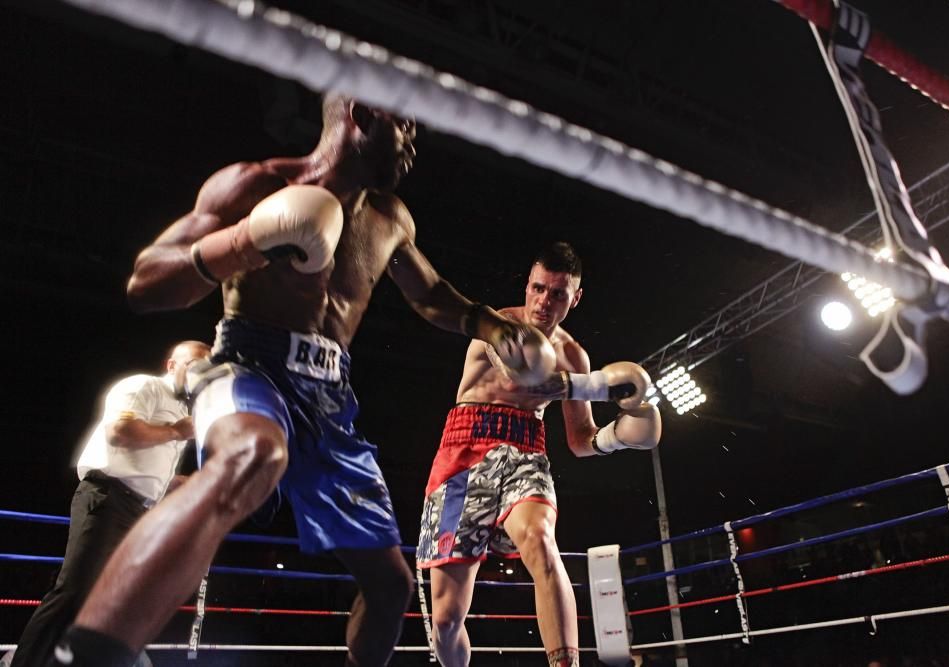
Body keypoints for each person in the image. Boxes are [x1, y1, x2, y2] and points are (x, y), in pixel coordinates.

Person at [47, 94, 552, 667]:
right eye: (405, 123)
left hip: (331, 398)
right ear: (363, 114)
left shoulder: (390, 217)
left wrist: (491, 325)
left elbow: (430, 293)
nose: (415, 139)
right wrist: (242, 244)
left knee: (389, 587)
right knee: (252, 456)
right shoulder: (257, 185)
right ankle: (86, 654)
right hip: (248, 366)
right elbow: (144, 282)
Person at [416, 242, 662, 667]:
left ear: (575, 297)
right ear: (527, 285)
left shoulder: (574, 355)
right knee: (446, 618)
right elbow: (525, 364)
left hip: (525, 448)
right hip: (463, 449)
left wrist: (616, 438)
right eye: (538, 288)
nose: (544, 301)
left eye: (557, 294)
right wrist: (590, 385)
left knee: (541, 541)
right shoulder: (495, 324)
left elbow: (579, 440)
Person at [11, 341, 209, 667]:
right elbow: (120, 431)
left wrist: (189, 484)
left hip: (136, 514)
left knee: (120, 605)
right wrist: (175, 431)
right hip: (107, 499)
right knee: (74, 592)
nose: (199, 373)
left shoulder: (180, 413)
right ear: (172, 364)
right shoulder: (144, 386)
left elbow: (148, 473)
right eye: (194, 364)